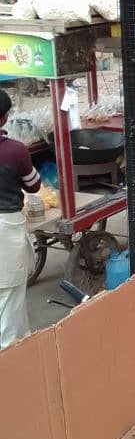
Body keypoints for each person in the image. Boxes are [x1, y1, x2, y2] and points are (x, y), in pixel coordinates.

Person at [0, 88, 41, 348]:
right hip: (6, 230)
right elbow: (34, 186)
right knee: (9, 298)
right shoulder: (15, 150)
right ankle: (12, 360)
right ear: (4, 118)